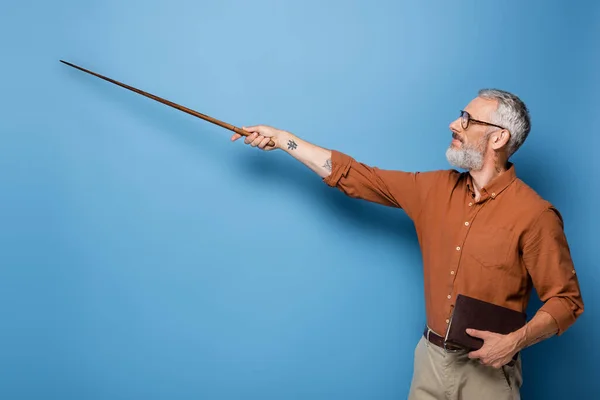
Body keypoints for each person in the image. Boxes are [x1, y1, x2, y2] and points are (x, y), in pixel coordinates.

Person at [230, 89, 583, 399]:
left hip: (489, 376)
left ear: (497, 138)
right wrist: (282, 139)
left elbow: (566, 301)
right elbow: (355, 175)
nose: (453, 125)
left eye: (467, 119)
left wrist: (514, 342)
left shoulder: (535, 214)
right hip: (430, 362)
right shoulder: (433, 189)